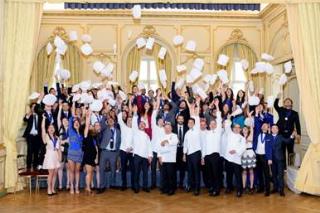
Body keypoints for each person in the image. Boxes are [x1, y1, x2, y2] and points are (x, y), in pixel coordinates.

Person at [267, 124, 296, 196]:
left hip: (280, 159)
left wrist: (292, 136)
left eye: (275, 128)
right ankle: (275, 188)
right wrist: (269, 158)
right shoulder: (268, 137)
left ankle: (281, 190)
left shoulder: (280, 137)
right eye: (272, 128)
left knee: (280, 175)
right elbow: (267, 148)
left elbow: (288, 141)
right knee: (274, 174)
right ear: (271, 129)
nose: (274, 129)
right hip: (272, 160)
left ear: (277, 130)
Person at [274, 93, 301, 167]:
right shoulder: (281, 110)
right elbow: (275, 106)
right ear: (284, 103)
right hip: (281, 134)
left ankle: (291, 166)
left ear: (291, 103)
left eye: (289, 101)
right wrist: (277, 98)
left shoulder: (295, 113)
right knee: (282, 152)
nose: (288, 102)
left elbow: (297, 124)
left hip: (290, 135)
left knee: (290, 152)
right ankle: (284, 168)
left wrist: (298, 134)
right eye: (286, 101)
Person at [201, 100, 222, 196]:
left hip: (215, 155)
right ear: (209, 125)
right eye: (211, 124)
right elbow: (204, 146)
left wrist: (217, 106)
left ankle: (217, 190)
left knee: (216, 173)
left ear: (216, 125)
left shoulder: (218, 132)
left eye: (214, 124)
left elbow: (219, 118)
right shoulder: (207, 133)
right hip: (207, 156)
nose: (213, 125)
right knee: (210, 174)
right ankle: (212, 187)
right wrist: (203, 157)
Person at [98, 116, 121, 193]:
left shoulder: (118, 131)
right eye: (109, 120)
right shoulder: (104, 129)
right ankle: (102, 186)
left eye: (112, 120)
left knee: (113, 170)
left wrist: (117, 153)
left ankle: (113, 184)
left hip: (113, 153)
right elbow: (101, 123)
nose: (110, 121)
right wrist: (105, 115)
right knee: (102, 169)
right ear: (107, 122)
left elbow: (119, 142)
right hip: (104, 152)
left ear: (114, 122)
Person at [183, 99, 202, 196]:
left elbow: (195, 116)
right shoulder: (187, 133)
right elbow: (185, 144)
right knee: (190, 171)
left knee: (196, 171)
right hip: (189, 154)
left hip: (196, 153)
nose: (190, 123)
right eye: (189, 122)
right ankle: (191, 185)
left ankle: (197, 189)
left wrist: (197, 103)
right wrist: (184, 154)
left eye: (192, 122)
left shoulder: (197, 129)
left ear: (194, 123)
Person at [132, 105, 152, 193]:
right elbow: (134, 121)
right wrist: (135, 112)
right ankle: (136, 187)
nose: (142, 125)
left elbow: (149, 146)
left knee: (145, 172)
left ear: (145, 126)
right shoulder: (135, 131)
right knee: (136, 172)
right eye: (140, 124)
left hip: (145, 157)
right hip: (136, 155)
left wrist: (150, 156)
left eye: (143, 124)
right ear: (138, 125)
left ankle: (145, 186)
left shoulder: (147, 136)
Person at [224, 116, 246, 197]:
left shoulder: (242, 138)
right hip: (228, 158)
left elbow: (243, 148)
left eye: (238, 128)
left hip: (237, 159)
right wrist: (229, 118)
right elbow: (226, 126)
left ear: (240, 129)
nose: (236, 129)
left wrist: (236, 151)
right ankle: (229, 188)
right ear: (233, 129)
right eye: (235, 128)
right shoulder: (229, 134)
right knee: (229, 175)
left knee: (238, 175)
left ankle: (239, 190)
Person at [41, 115, 61, 196]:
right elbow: (42, 128)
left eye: (53, 127)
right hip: (49, 156)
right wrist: (43, 119)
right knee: (51, 173)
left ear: (54, 129)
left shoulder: (57, 137)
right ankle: (48, 189)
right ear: (48, 129)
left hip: (55, 156)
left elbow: (59, 148)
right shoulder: (46, 136)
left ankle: (53, 188)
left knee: (55, 173)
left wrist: (59, 157)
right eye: (50, 128)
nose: (51, 129)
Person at [67, 102, 84, 194]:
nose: (76, 123)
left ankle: (77, 187)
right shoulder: (70, 130)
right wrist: (73, 103)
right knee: (71, 171)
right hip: (71, 153)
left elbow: (82, 144)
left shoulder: (81, 133)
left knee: (77, 171)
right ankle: (71, 187)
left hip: (79, 153)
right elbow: (71, 118)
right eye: (75, 122)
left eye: (77, 123)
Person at [158, 123, 179, 196]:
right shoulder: (161, 136)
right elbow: (159, 147)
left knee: (171, 175)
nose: (167, 129)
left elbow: (175, 142)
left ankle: (171, 189)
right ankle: (165, 188)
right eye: (165, 128)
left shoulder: (174, 136)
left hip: (171, 159)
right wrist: (159, 156)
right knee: (164, 175)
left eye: (168, 128)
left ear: (171, 128)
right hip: (163, 158)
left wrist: (166, 142)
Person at [253, 122, 272, 196]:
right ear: (261, 127)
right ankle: (260, 187)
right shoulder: (257, 134)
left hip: (265, 157)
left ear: (268, 128)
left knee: (266, 174)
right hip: (257, 156)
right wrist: (254, 150)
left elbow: (270, 148)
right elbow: (254, 143)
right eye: (263, 126)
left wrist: (270, 158)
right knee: (259, 173)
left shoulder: (269, 136)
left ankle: (267, 190)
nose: (264, 127)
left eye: (266, 126)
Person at [82, 110, 99, 194]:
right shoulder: (86, 135)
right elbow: (87, 125)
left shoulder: (94, 137)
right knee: (89, 173)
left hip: (92, 157)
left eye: (92, 126)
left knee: (91, 173)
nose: (91, 127)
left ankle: (88, 187)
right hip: (88, 156)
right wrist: (88, 116)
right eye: (90, 126)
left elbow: (96, 149)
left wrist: (96, 158)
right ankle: (88, 188)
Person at [117, 111, 134, 191]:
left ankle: (134, 185)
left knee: (133, 168)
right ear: (126, 121)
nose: (129, 121)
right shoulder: (123, 126)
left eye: (131, 120)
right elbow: (119, 117)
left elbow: (136, 142)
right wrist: (123, 110)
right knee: (123, 168)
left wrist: (131, 148)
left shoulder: (135, 130)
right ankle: (124, 185)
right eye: (128, 120)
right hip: (123, 150)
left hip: (132, 151)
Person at [150, 96, 165, 189]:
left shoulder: (165, 130)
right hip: (153, 151)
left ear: (163, 122)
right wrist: (156, 106)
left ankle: (162, 184)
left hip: (162, 152)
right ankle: (153, 184)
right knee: (153, 169)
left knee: (162, 169)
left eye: (162, 121)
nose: (160, 122)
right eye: (159, 120)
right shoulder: (154, 127)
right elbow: (152, 117)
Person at [23, 103, 41, 172]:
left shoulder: (39, 115)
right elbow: (25, 119)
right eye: (32, 107)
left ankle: (35, 167)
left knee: (36, 152)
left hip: (37, 136)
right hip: (30, 136)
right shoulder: (29, 115)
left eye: (35, 106)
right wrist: (29, 114)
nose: (34, 108)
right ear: (31, 108)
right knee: (30, 151)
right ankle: (28, 167)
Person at [241, 114, 255, 194]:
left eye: (246, 129)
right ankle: (243, 187)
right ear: (242, 130)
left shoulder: (251, 135)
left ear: (248, 130)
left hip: (250, 153)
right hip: (243, 154)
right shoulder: (240, 137)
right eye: (244, 129)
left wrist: (250, 117)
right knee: (244, 171)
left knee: (251, 171)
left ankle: (251, 186)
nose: (245, 130)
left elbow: (252, 126)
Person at [57, 103, 70, 191]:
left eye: (66, 120)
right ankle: (61, 185)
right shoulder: (60, 128)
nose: (65, 121)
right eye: (63, 120)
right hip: (61, 150)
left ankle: (68, 184)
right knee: (60, 167)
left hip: (69, 150)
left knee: (68, 167)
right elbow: (59, 141)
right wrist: (60, 108)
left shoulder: (71, 129)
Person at [173, 114, 188, 189]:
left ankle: (181, 183)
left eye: (182, 119)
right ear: (177, 119)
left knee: (182, 168)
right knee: (174, 167)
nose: (180, 120)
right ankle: (174, 183)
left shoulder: (187, 128)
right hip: (174, 150)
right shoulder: (173, 128)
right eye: (179, 119)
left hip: (183, 150)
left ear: (184, 120)